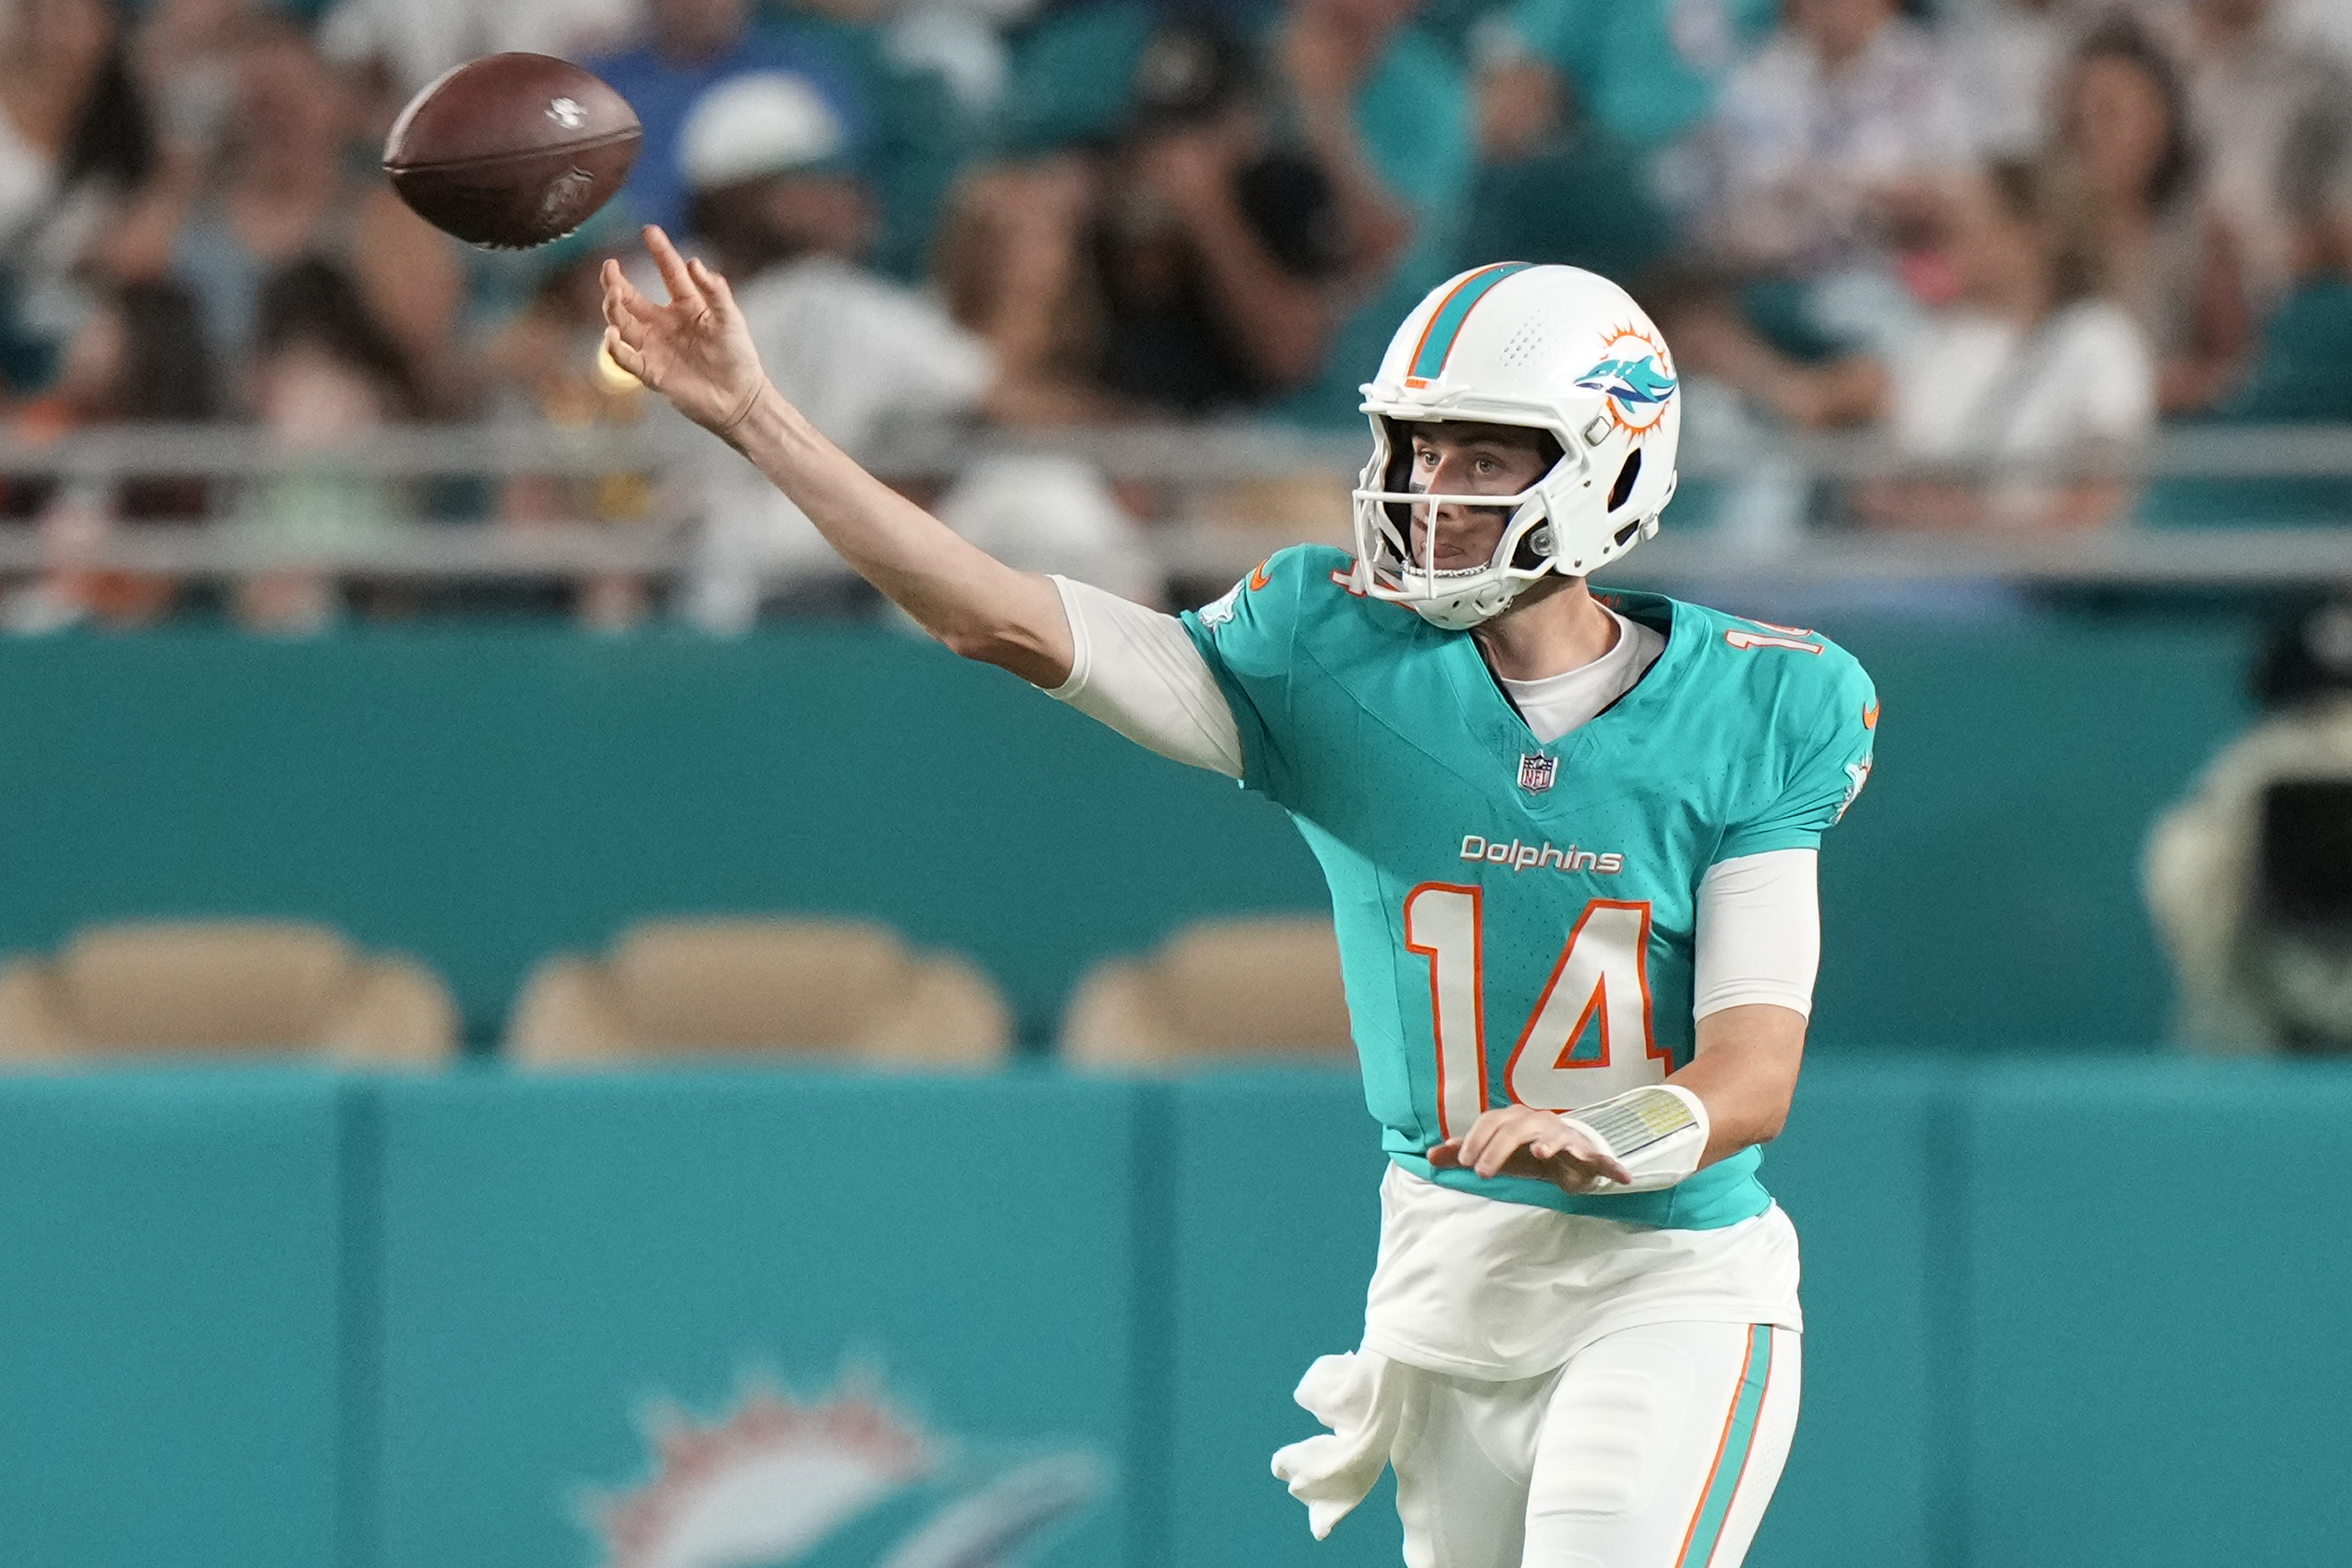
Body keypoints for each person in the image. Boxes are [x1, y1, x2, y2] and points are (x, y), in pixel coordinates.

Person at [601, 229, 1876, 1567]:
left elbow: (1752, 1067)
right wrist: (756, 420)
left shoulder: (1758, 705)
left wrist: (1616, 1130)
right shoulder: (1334, 661)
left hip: (1663, 1281)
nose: (1433, 490)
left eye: (1484, 456)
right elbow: (1000, 617)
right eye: (1417, 450)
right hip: (1448, 1288)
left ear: (1609, 466)